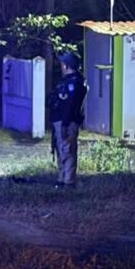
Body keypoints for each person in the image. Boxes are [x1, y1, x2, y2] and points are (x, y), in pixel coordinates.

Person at [49, 51, 87, 188]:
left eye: (62, 63)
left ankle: (68, 182)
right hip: (60, 121)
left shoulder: (75, 82)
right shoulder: (67, 81)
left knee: (68, 151)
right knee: (61, 150)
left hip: (67, 122)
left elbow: (71, 105)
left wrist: (65, 123)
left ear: (66, 65)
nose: (61, 66)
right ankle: (61, 179)